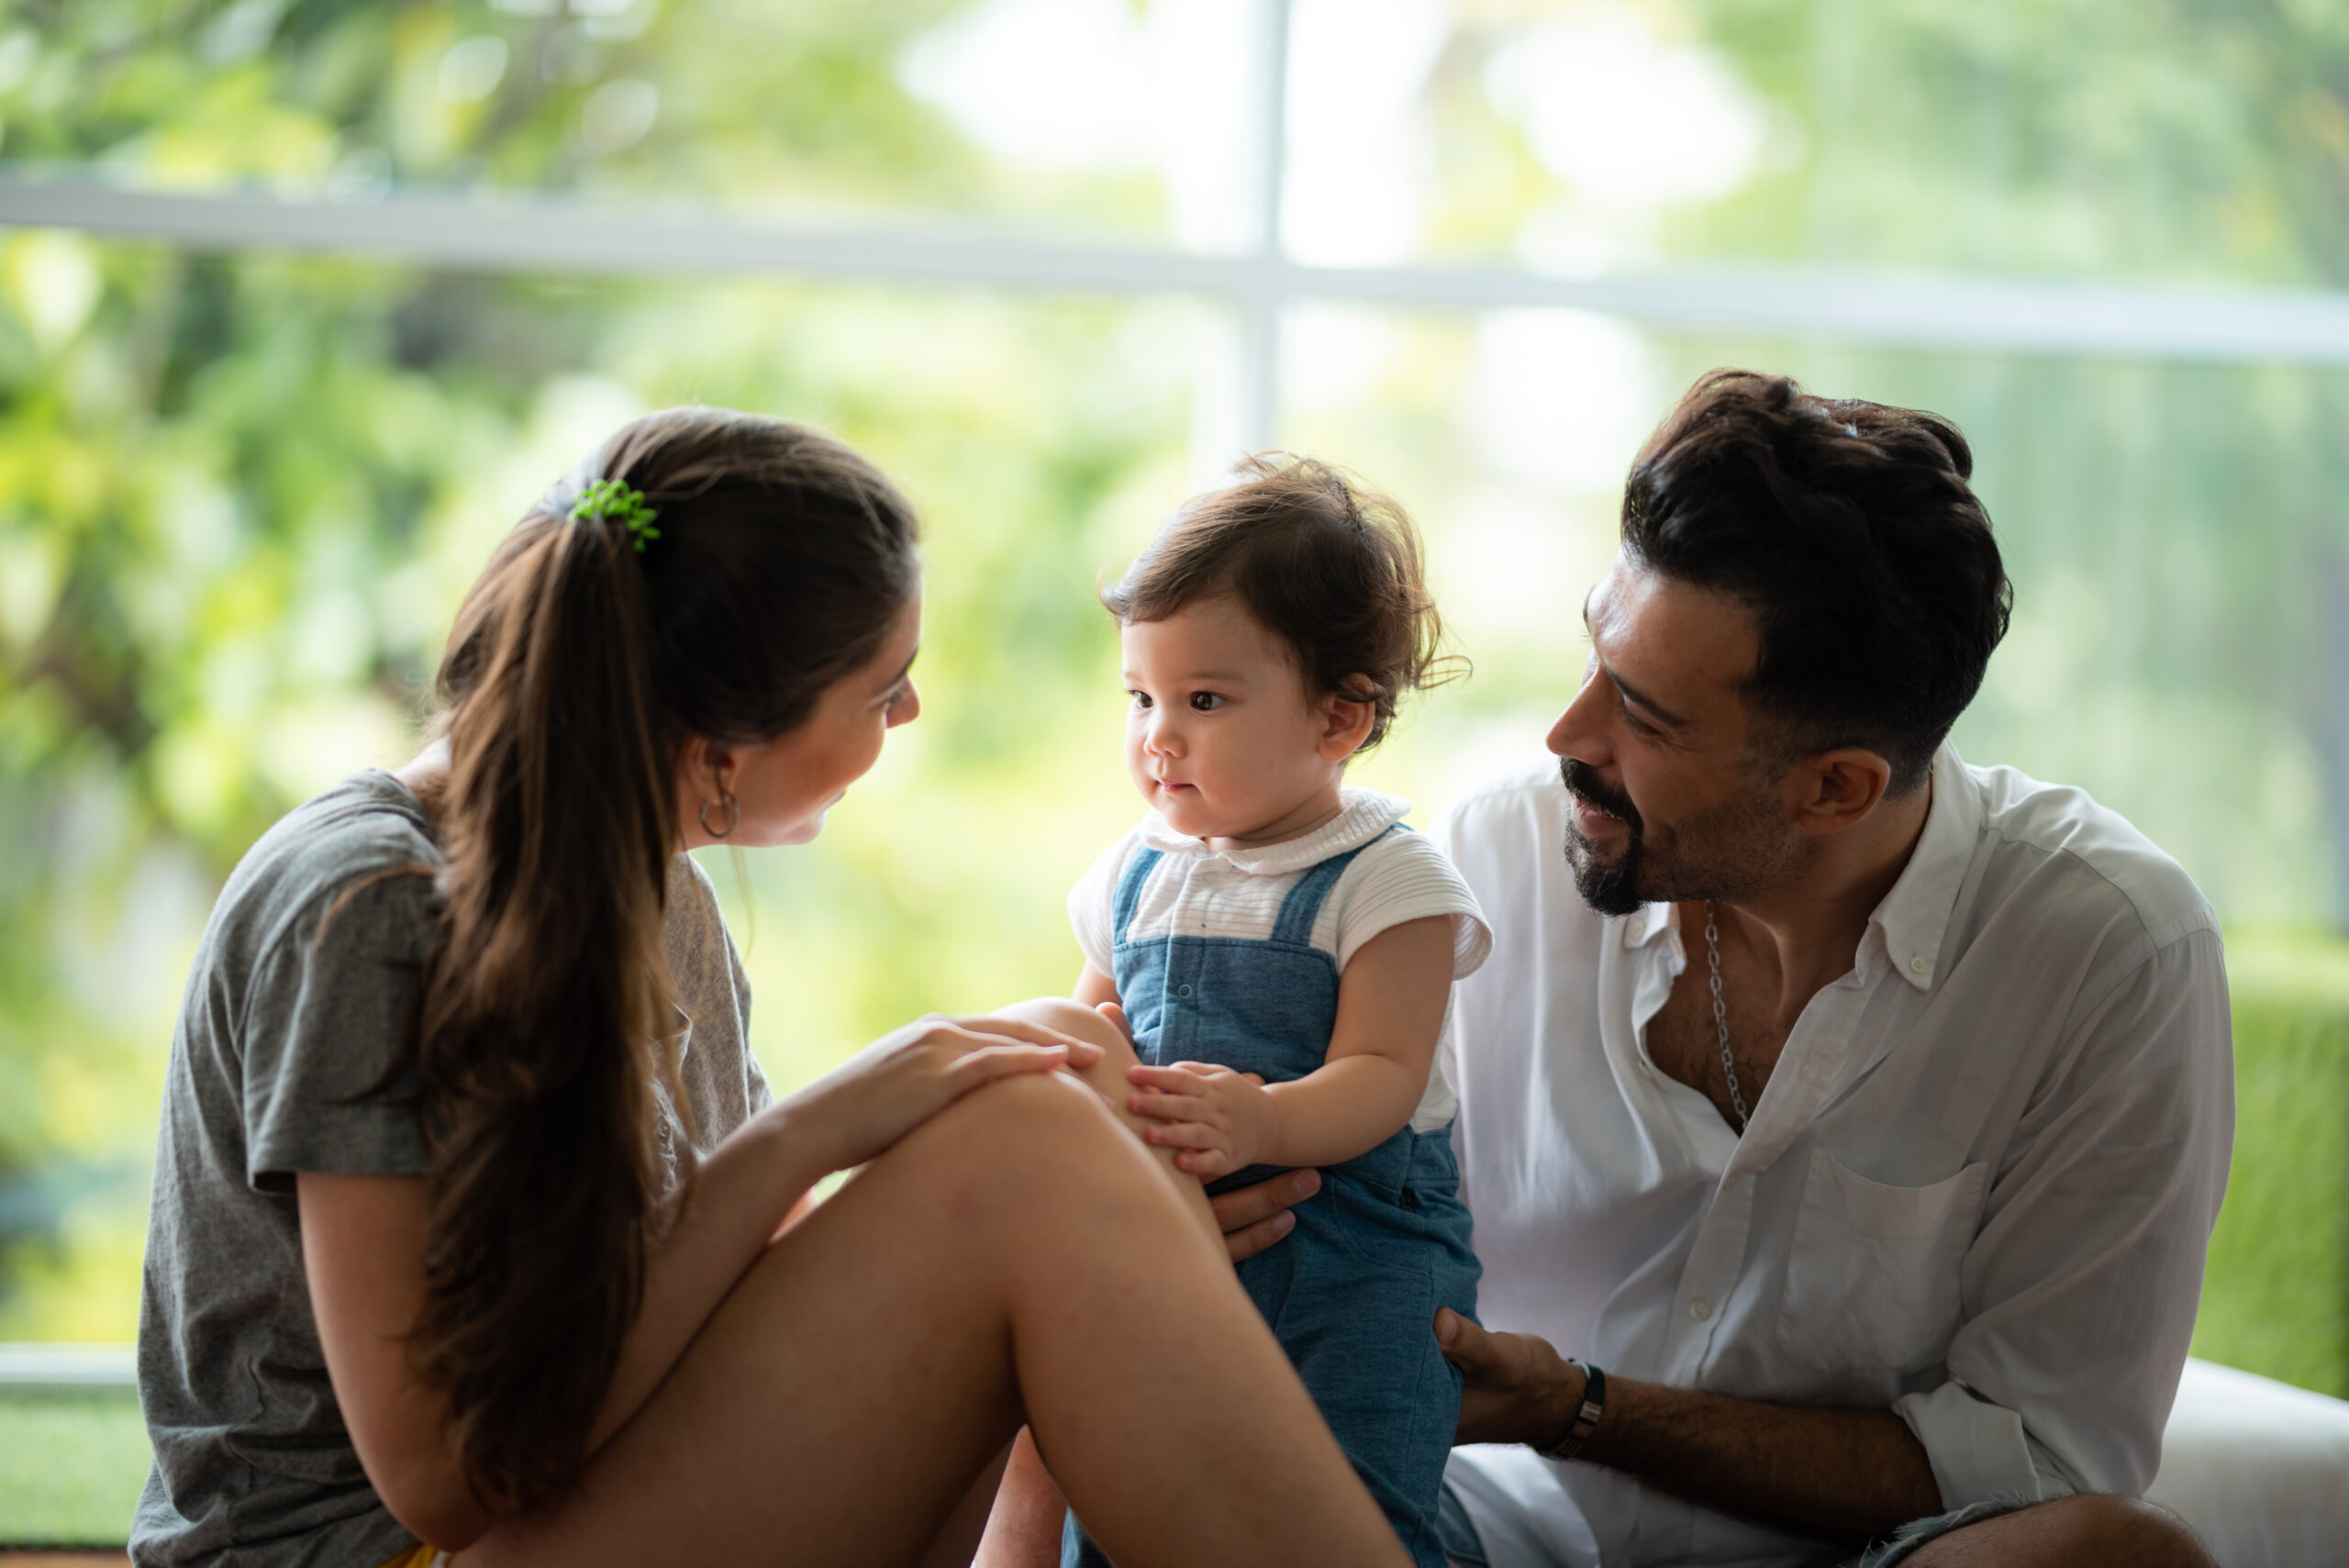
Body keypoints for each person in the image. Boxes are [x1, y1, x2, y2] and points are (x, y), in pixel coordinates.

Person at [131, 407, 1417, 1568]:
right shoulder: (364, 911)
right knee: (1021, 1145)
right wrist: (814, 1129)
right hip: (388, 1551)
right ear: (716, 753)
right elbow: (442, 1479)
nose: (909, 713)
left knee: (1046, 1084)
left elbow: (701, 1307)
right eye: (880, 685)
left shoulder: (650, 885)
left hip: (570, 1496)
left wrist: (1121, 1221)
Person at [1218, 371, 2232, 1567]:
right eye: (1595, 656)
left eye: (1642, 717)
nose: (1566, 738)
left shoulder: (2108, 952)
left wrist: (1583, 1408)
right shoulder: (1492, 853)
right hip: (1475, 1528)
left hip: (1862, 1556)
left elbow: (2039, 1459)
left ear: (1836, 787)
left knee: (2119, 1556)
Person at [991, 458, 1493, 1568]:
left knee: (1347, 1497)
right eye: (1140, 698)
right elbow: (1094, 1032)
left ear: (1339, 718)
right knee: (1129, 1480)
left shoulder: (1383, 874)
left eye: (1203, 701)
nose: (1157, 736)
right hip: (1171, 1239)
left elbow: (1382, 1070)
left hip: (1353, 1249)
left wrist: (1260, 1121)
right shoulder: (1132, 870)